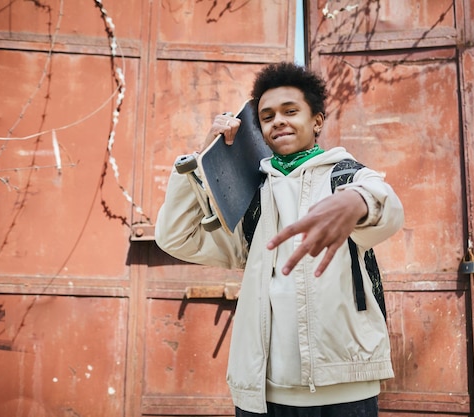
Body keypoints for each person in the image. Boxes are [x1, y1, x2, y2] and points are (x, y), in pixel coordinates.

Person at [155, 62, 404, 417]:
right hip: (265, 392)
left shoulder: (346, 177)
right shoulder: (250, 199)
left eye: (291, 111)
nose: (278, 121)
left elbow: (388, 210)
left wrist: (356, 202)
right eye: (267, 116)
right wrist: (200, 158)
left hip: (345, 386)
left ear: (317, 121)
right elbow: (176, 237)